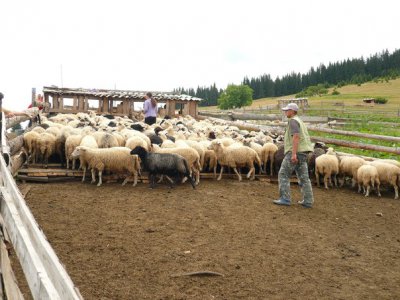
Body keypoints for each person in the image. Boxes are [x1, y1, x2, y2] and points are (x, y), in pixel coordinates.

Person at [273, 103, 314, 208]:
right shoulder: (300, 121)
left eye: (287, 110)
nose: (285, 112)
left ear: (292, 111)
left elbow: (296, 137)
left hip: (295, 152)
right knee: (304, 177)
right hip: (304, 152)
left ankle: (285, 198)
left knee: (283, 174)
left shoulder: (293, 121)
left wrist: (294, 154)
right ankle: (308, 200)